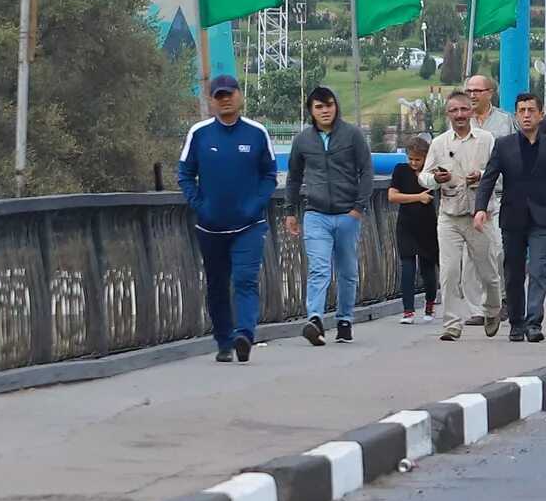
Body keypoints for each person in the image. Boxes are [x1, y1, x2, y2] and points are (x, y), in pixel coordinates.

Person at [177, 74, 276, 362]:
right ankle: (223, 340)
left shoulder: (257, 133)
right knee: (217, 284)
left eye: (229, 94)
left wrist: (255, 204)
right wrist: (200, 205)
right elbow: (184, 174)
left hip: (249, 225)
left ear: (239, 95)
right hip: (210, 226)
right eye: (218, 96)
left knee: (245, 279)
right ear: (211, 100)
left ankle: (244, 333)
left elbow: (269, 175)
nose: (225, 100)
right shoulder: (200, 133)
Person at [474, 90, 546, 341]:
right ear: (516, 115)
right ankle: (516, 323)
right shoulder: (503, 145)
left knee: (539, 270)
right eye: (521, 111)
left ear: (541, 115)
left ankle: (534, 323)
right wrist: (480, 209)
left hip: (542, 218)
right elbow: (488, 179)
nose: (526, 115)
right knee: (513, 273)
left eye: (531, 110)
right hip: (513, 217)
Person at [286, 86, 374, 345]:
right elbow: (293, 176)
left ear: (336, 106)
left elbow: (366, 171)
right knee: (319, 268)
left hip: (347, 214)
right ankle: (314, 318)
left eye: (329, 105)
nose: (325, 111)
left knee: (347, 271)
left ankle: (344, 319)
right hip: (316, 214)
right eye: (318, 107)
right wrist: (290, 210)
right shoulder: (303, 140)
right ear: (311, 111)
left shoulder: (352, 135)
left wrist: (358, 207)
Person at [424, 90, 499, 335]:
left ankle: (491, 309)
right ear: (448, 113)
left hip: (480, 215)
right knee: (449, 272)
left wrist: (481, 176)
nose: (459, 115)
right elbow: (424, 177)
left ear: (471, 111)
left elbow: (500, 173)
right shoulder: (439, 143)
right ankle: (451, 325)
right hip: (450, 215)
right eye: (454, 110)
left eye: (464, 109)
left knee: (488, 272)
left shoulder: (487, 140)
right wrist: (436, 178)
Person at [387, 136, 440, 327]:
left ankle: (429, 304)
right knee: (407, 268)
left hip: (427, 226)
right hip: (406, 225)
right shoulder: (401, 171)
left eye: (418, 159)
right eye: (411, 158)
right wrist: (418, 197)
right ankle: (408, 310)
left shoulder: (432, 173)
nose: (413, 162)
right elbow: (392, 196)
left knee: (428, 269)